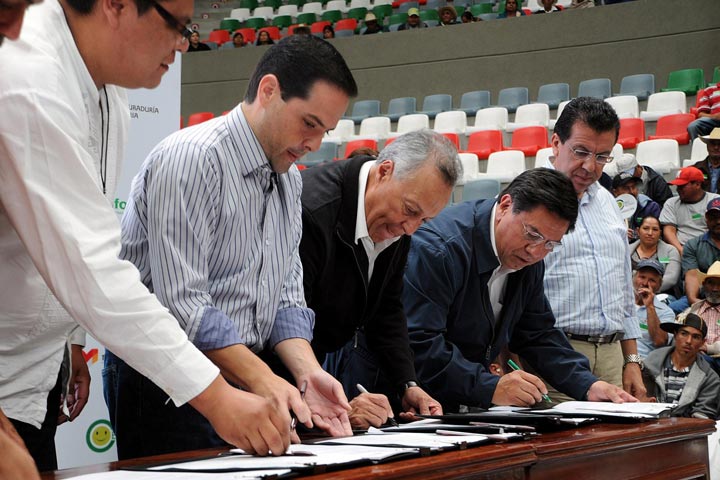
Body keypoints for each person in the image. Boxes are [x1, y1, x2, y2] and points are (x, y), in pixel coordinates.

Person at [0, 0, 293, 469]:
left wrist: (72, 340)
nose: (184, 43)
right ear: (115, 6)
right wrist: (217, 397)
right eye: (175, 25)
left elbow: (73, 232)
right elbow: (91, 267)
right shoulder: (30, 78)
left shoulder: (109, 93)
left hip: (37, 375)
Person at [107, 35, 359, 460]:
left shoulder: (289, 179)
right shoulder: (191, 158)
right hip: (167, 381)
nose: (315, 144)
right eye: (309, 123)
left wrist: (308, 373)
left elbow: (287, 296)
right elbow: (185, 305)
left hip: (244, 375)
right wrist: (264, 379)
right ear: (268, 90)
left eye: (325, 131)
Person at [403, 168, 637, 411]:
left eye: (550, 244)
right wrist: (490, 387)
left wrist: (588, 385)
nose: (535, 251)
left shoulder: (528, 259)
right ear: (505, 205)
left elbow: (536, 333)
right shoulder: (439, 249)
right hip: (413, 402)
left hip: (462, 400)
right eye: (532, 234)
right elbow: (419, 344)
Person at [300, 130, 460, 428]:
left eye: (424, 220)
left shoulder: (396, 218)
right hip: (267, 371)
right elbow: (286, 322)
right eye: (410, 211)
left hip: (309, 366)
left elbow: (386, 307)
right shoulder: (312, 209)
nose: (411, 229)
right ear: (385, 171)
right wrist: (316, 401)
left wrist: (407, 384)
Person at [543, 97, 646, 402]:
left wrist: (631, 360)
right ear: (556, 143)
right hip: (553, 357)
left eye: (602, 156)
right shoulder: (527, 200)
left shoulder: (608, 203)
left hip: (613, 358)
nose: (590, 166)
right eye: (581, 152)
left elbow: (622, 287)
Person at [641, 313, 720, 419]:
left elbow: (702, 415)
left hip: (686, 428)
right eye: (684, 334)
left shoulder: (710, 379)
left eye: (696, 337)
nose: (688, 341)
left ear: (702, 343)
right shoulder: (650, 364)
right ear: (675, 335)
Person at [671, 199, 720, 314]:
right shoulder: (693, 245)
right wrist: (703, 306)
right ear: (706, 219)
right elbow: (692, 278)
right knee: (671, 309)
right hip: (702, 298)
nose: (718, 221)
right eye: (714, 217)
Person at [660, 166, 720, 255]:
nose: (678, 189)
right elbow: (669, 231)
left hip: (710, 248)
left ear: (697, 185)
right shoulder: (671, 203)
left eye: (682, 186)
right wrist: (681, 251)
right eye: (677, 186)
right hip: (680, 248)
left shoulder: (715, 201)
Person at [631, 260, 676, 359]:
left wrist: (650, 306)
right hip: (616, 357)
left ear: (659, 286)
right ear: (634, 278)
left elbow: (660, 341)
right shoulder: (621, 301)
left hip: (643, 361)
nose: (645, 283)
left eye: (652, 280)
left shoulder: (666, 312)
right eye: (642, 277)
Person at [629, 216, 681, 294]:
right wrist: (635, 292)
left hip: (662, 295)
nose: (650, 233)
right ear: (638, 231)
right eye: (646, 228)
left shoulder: (670, 251)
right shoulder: (627, 250)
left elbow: (671, 278)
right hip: (630, 294)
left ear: (660, 233)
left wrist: (647, 290)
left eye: (655, 229)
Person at [685, 262, 720, 362]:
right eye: (711, 283)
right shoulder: (691, 312)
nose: (715, 289)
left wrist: (707, 348)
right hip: (696, 359)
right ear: (704, 285)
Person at [611, 171, 661, 241]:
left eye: (633, 187)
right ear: (615, 192)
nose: (632, 191)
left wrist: (636, 235)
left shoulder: (649, 206)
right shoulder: (608, 209)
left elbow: (655, 233)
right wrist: (617, 234)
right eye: (626, 188)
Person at [691, 128, 720, 194]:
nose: (716, 147)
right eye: (712, 143)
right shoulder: (695, 168)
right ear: (707, 146)